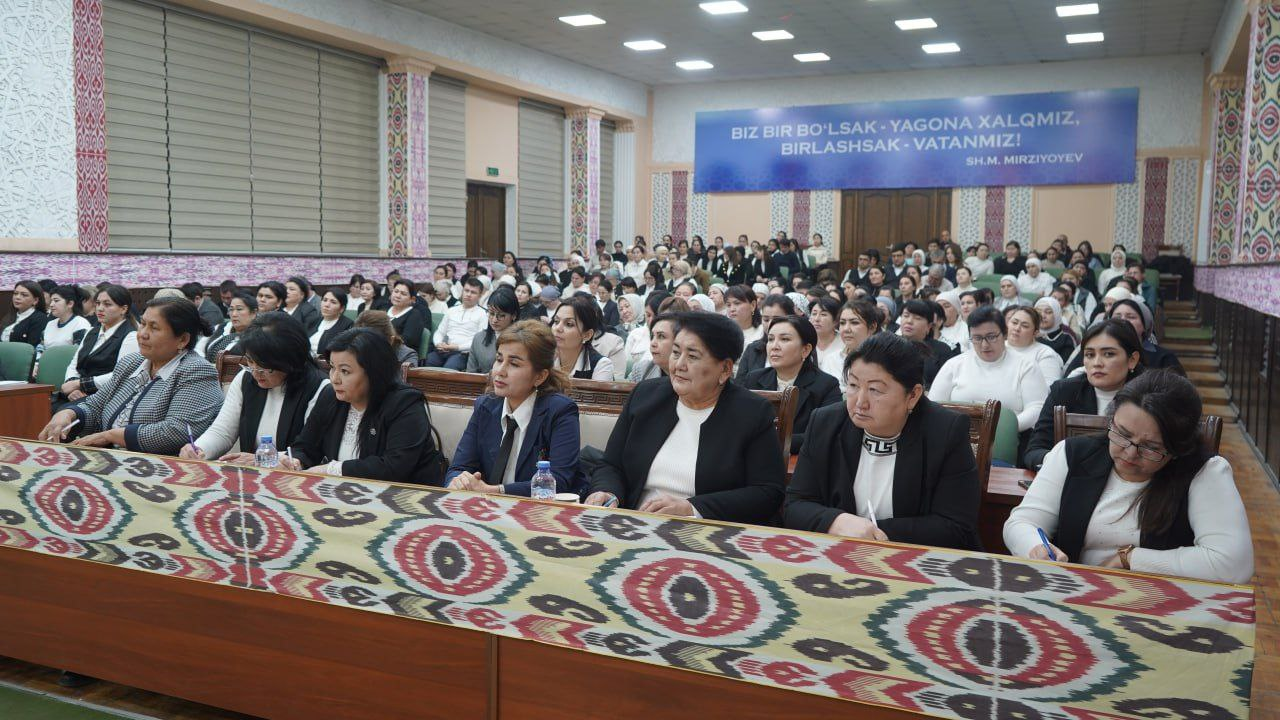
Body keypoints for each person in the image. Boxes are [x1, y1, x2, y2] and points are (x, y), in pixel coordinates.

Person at [1004, 370, 1252, 584]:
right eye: (1122, 434)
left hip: (1158, 602)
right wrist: (1035, 547)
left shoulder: (1204, 472)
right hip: (1073, 591)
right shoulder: (1072, 454)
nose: (1130, 453)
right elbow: (1021, 523)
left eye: (1151, 448)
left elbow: (1233, 564)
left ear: (1178, 449)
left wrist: (1131, 559)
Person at [784, 333, 981, 549]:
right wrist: (836, 521)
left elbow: (955, 526)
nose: (860, 402)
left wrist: (871, 531)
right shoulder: (826, 423)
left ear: (913, 396)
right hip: (838, 552)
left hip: (917, 557)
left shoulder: (945, 431)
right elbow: (795, 505)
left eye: (875, 390)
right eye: (853, 385)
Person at [586, 312, 784, 523]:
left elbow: (768, 492)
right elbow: (611, 464)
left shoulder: (751, 412)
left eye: (692, 356)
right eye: (675, 352)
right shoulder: (645, 396)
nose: (679, 365)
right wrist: (608, 492)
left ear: (725, 369)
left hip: (707, 530)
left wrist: (692, 508)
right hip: (634, 523)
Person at [38, 298, 223, 454]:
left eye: (154, 328)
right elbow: (96, 405)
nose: (142, 334)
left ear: (182, 339)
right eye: (142, 324)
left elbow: (176, 432)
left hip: (159, 468)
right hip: (111, 458)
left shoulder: (196, 371)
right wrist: (68, 414)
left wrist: (110, 436)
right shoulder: (131, 362)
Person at [279, 329, 442, 485]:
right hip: (341, 492)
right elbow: (306, 446)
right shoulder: (330, 395)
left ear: (373, 373)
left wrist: (331, 469)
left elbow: (393, 468)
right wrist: (296, 460)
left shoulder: (405, 403)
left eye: (345, 371)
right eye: (332, 367)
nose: (335, 379)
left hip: (404, 496)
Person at [446, 321, 585, 497]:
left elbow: (560, 480)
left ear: (540, 376)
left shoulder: (560, 411)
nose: (500, 371)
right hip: (484, 507)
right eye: (499, 360)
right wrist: (458, 482)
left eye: (514, 364)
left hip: (538, 511)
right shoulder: (485, 406)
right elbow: (459, 467)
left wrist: (496, 491)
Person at [181, 313, 328, 463]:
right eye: (250, 361)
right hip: (252, 472)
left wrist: (261, 459)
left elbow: (307, 452)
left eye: (265, 366)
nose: (256, 373)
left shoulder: (319, 388)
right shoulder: (245, 378)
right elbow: (223, 431)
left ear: (290, 360)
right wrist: (199, 449)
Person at [1023, 319, 1144, 470]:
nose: (1097, 363)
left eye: (1108, 354)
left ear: (1132, 360)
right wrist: (1057, 461)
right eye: (1090, 355)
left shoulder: (1151, 396)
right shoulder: (1064, 391)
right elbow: (1034, 451)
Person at [929, 306, 1049, 436]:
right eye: (977, 338)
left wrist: (1001, 430)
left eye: (991, 337)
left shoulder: (1026, 366)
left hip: (1008, 436)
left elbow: (1037, 407)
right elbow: (934, 405)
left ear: (1004, 334)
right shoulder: (954, 365)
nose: (984, 345)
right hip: (957, 435)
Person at [742, 315, 841, 454]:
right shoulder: (754, 379)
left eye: (785, 339)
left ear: (805, 350)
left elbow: (824, 434)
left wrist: (768, 441)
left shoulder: (826, 385)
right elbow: (742, 425)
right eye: (770, 339)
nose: (774, 346)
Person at [60, 285, 138, 404]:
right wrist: (72, 387)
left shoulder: (131, 336)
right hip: (77, 394)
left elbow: (121, 375)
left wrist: (79, 384)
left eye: (107, 304)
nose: (100, 308)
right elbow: (74, 365)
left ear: (123, 309)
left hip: (106, 398)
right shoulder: (92, 331)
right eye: (98, 303)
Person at [552, 295, 613, 381]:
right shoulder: (543, 358)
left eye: (569, 324)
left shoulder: (601, 365)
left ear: (587, 335)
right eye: (556, 321)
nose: (558, 328)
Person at [735, 294, 796, 380]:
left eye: (776, 319)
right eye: (766, 319)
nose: (770, 324)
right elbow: (740, 383)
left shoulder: (799, 347)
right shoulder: (752, 349)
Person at [896, 300, 955, 388]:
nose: (909, 321)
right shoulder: (891, 345)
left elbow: (947, 383)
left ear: (929, 326)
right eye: (906, 316)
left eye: (917, 318)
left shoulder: (941, 349)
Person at [1004, 306, 1064, 383]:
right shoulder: (997, 347)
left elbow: (1049, 387)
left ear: (1035, 333)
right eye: (1014, 323)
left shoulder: (1045, 354)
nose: (1017, 328)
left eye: (1025, 326)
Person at [466, 287, 518, 374]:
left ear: (514, 315)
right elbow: (470, 373)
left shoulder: (521, 340)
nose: (494, 320)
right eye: (491, 313)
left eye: (501, 315)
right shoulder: (479, 338)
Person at [629, 310, 679, 382]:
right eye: (652, 336)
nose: (652, 343)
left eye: (661, 336)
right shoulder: (641, 370)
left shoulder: (691, 374)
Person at [203, 293, 256, 362]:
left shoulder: (257, 336)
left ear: (253, 313)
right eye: (231, 309)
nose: (234, 314)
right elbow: (199, 348)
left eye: (239, 309)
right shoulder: (222, 327)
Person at [41, 285, 92, 351]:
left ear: (70, 304)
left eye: (56, 301)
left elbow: (80, 352)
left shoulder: (80, 324)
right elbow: (41, 348)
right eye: (51, 301)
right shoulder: (50, 324)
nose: (51, 305)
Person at [310, 288, 355, 356]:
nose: (326, 305)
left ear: (342, 308)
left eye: (333, 302)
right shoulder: (313, 321)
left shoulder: (348, 325)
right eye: (325, 300)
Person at [4, 280, 48, 347]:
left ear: (35, 300)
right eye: (15, 293)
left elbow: (31, 347)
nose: (17, 297)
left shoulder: (40, 318)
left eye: (24, 295)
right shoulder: (10, 315)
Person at [1035, 297, 1076, 363]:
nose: (1042, 316)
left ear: (1057, 314)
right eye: (1038, 312)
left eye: (1048, 312)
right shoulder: (1029, 335)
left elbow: (1065, 365)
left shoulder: (1066, 339)